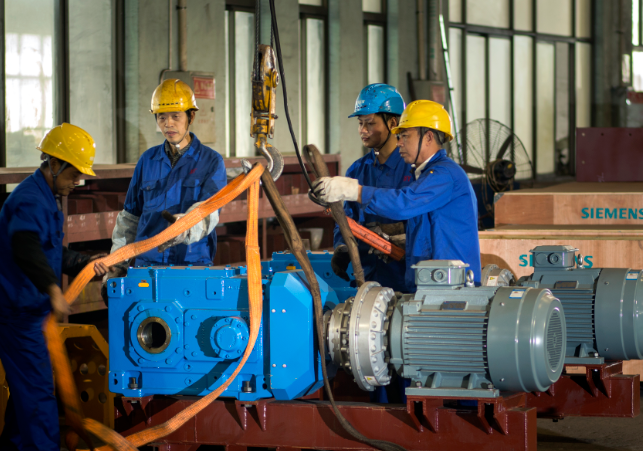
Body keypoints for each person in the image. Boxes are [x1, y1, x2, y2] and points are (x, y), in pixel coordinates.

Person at [0, 123, 112, 450]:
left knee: (28, 392)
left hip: (31, 314)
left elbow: (51, 251)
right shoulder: (29, 200)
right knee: (38, 396)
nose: (78, 181)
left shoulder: (47, 197)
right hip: (18, 315)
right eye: (74, 174)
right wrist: (52, 290)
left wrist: (87, 263)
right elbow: (26, 248)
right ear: (53, 163)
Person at [314, 100, 481, 292]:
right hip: (434, 283)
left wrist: (354, 190)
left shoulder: (444, 174)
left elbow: (404, 203)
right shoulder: (426, 174)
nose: (399, 142)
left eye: (405, 136)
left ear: (428, 137)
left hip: (450, 288)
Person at [104, 79, 227, 289]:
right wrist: (116, 265)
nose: (168, 124)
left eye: (175, 116)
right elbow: (129, 219)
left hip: (191, 267)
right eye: (162, 117)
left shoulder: (211, 161)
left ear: (191, 116)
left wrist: (185, 227)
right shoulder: (147, 160)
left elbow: (209, 212)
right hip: (147, 268)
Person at [331, 83, 412, 293]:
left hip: (405, 280)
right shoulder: (357, 171)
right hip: (367, 281)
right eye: (360, 123)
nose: (363, 130)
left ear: (393, 123)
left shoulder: (412, 169)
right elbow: (346, 219)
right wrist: (341, 246)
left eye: (370, 123)